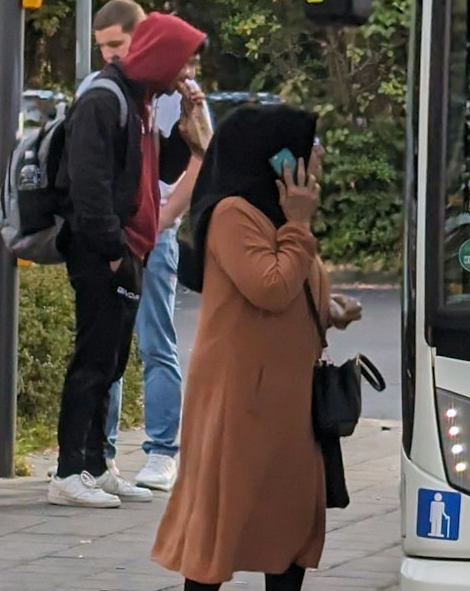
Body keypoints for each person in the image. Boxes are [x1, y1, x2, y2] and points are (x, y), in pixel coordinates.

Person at [152, 105, 362, 591]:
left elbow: (288, 287)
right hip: (243, 399)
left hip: (286, 401)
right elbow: (269, 287)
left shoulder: (275, 215)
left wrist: (328, 309)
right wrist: (300, 224)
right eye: (310, 146)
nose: (319, 155)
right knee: (225, 518)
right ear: (277, 159)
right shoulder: (234, 214)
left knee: (288, 519)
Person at [51, 11, 208, 509]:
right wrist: (115, 253)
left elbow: (156, 169)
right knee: (93, 359)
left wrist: (186, 136)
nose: (187, 74)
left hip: (129, 248)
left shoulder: (140, 100)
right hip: (104, 251)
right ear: (161, 57)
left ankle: (97, 466)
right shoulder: (105, 98)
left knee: (111, 361)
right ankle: (68, 471)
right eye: (184, 64)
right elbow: (89, 185)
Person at [92, 0, 210, 494]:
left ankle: (163, 451)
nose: (109, 56)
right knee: (108, 345)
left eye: (117, 44)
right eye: (102, 47)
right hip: (120, 230)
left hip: (155, 231)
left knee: (155, 340)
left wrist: (162, 220)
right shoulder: (109, 88)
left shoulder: (177, 95)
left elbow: (201, 160)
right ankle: (101, 453)